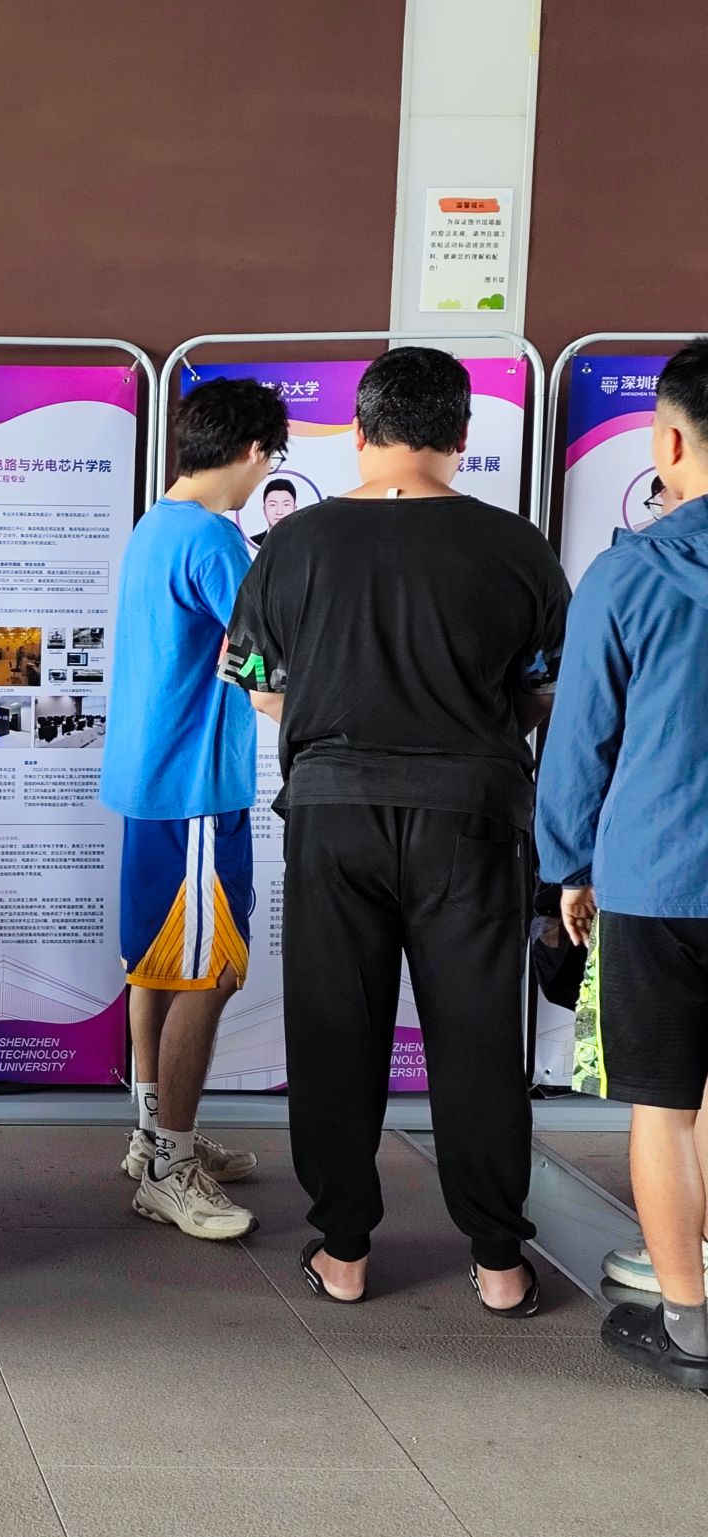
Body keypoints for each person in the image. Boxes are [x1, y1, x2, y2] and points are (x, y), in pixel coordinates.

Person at [222, 346, 569, 1312]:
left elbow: (254, 683)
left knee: (334, 1029)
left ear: (359, 433)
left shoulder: (294, 543)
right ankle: (498, 1262)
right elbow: (548, 690)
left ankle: (344, 1251)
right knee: (479, 1034)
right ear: (461, 435)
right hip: (475, 819)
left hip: (332, 815)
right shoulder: (515, 544)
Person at [537, 338, 708, 1386]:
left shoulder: (629, 572)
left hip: (657, 877)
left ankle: (688, 1323)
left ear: (670, 441)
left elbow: (578, 742)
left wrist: (566, 865)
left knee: (665, 1106)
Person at [99, 378, 284, 1239]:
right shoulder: (214, 538)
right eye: (267, 463)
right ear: (252, 451)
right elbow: (262, 655)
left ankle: (153, 1135)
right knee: (209, 974)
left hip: (152, 786)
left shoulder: (155, 525)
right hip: (197, 792)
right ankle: (170, 1167)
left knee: (154, 966)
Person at [246, 476, 296, 548]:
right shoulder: (252, 542)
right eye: (273, 505)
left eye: (286, 505)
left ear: (295, 509)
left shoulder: (307, 543)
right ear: (264, 509)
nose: (279, 512)